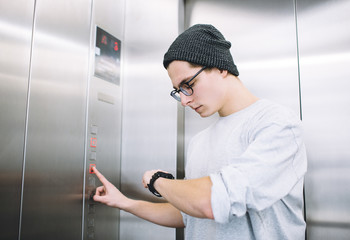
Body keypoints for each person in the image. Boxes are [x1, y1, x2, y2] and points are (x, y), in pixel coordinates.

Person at [92, 24, 307, 239]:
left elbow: (210, 202)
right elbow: (188, 213)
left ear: (220, 66)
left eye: (188, 84)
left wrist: (156, 180)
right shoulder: (199, 142)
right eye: (179, 91)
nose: (184, 100)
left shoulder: (277, 124)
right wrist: (124, 202)